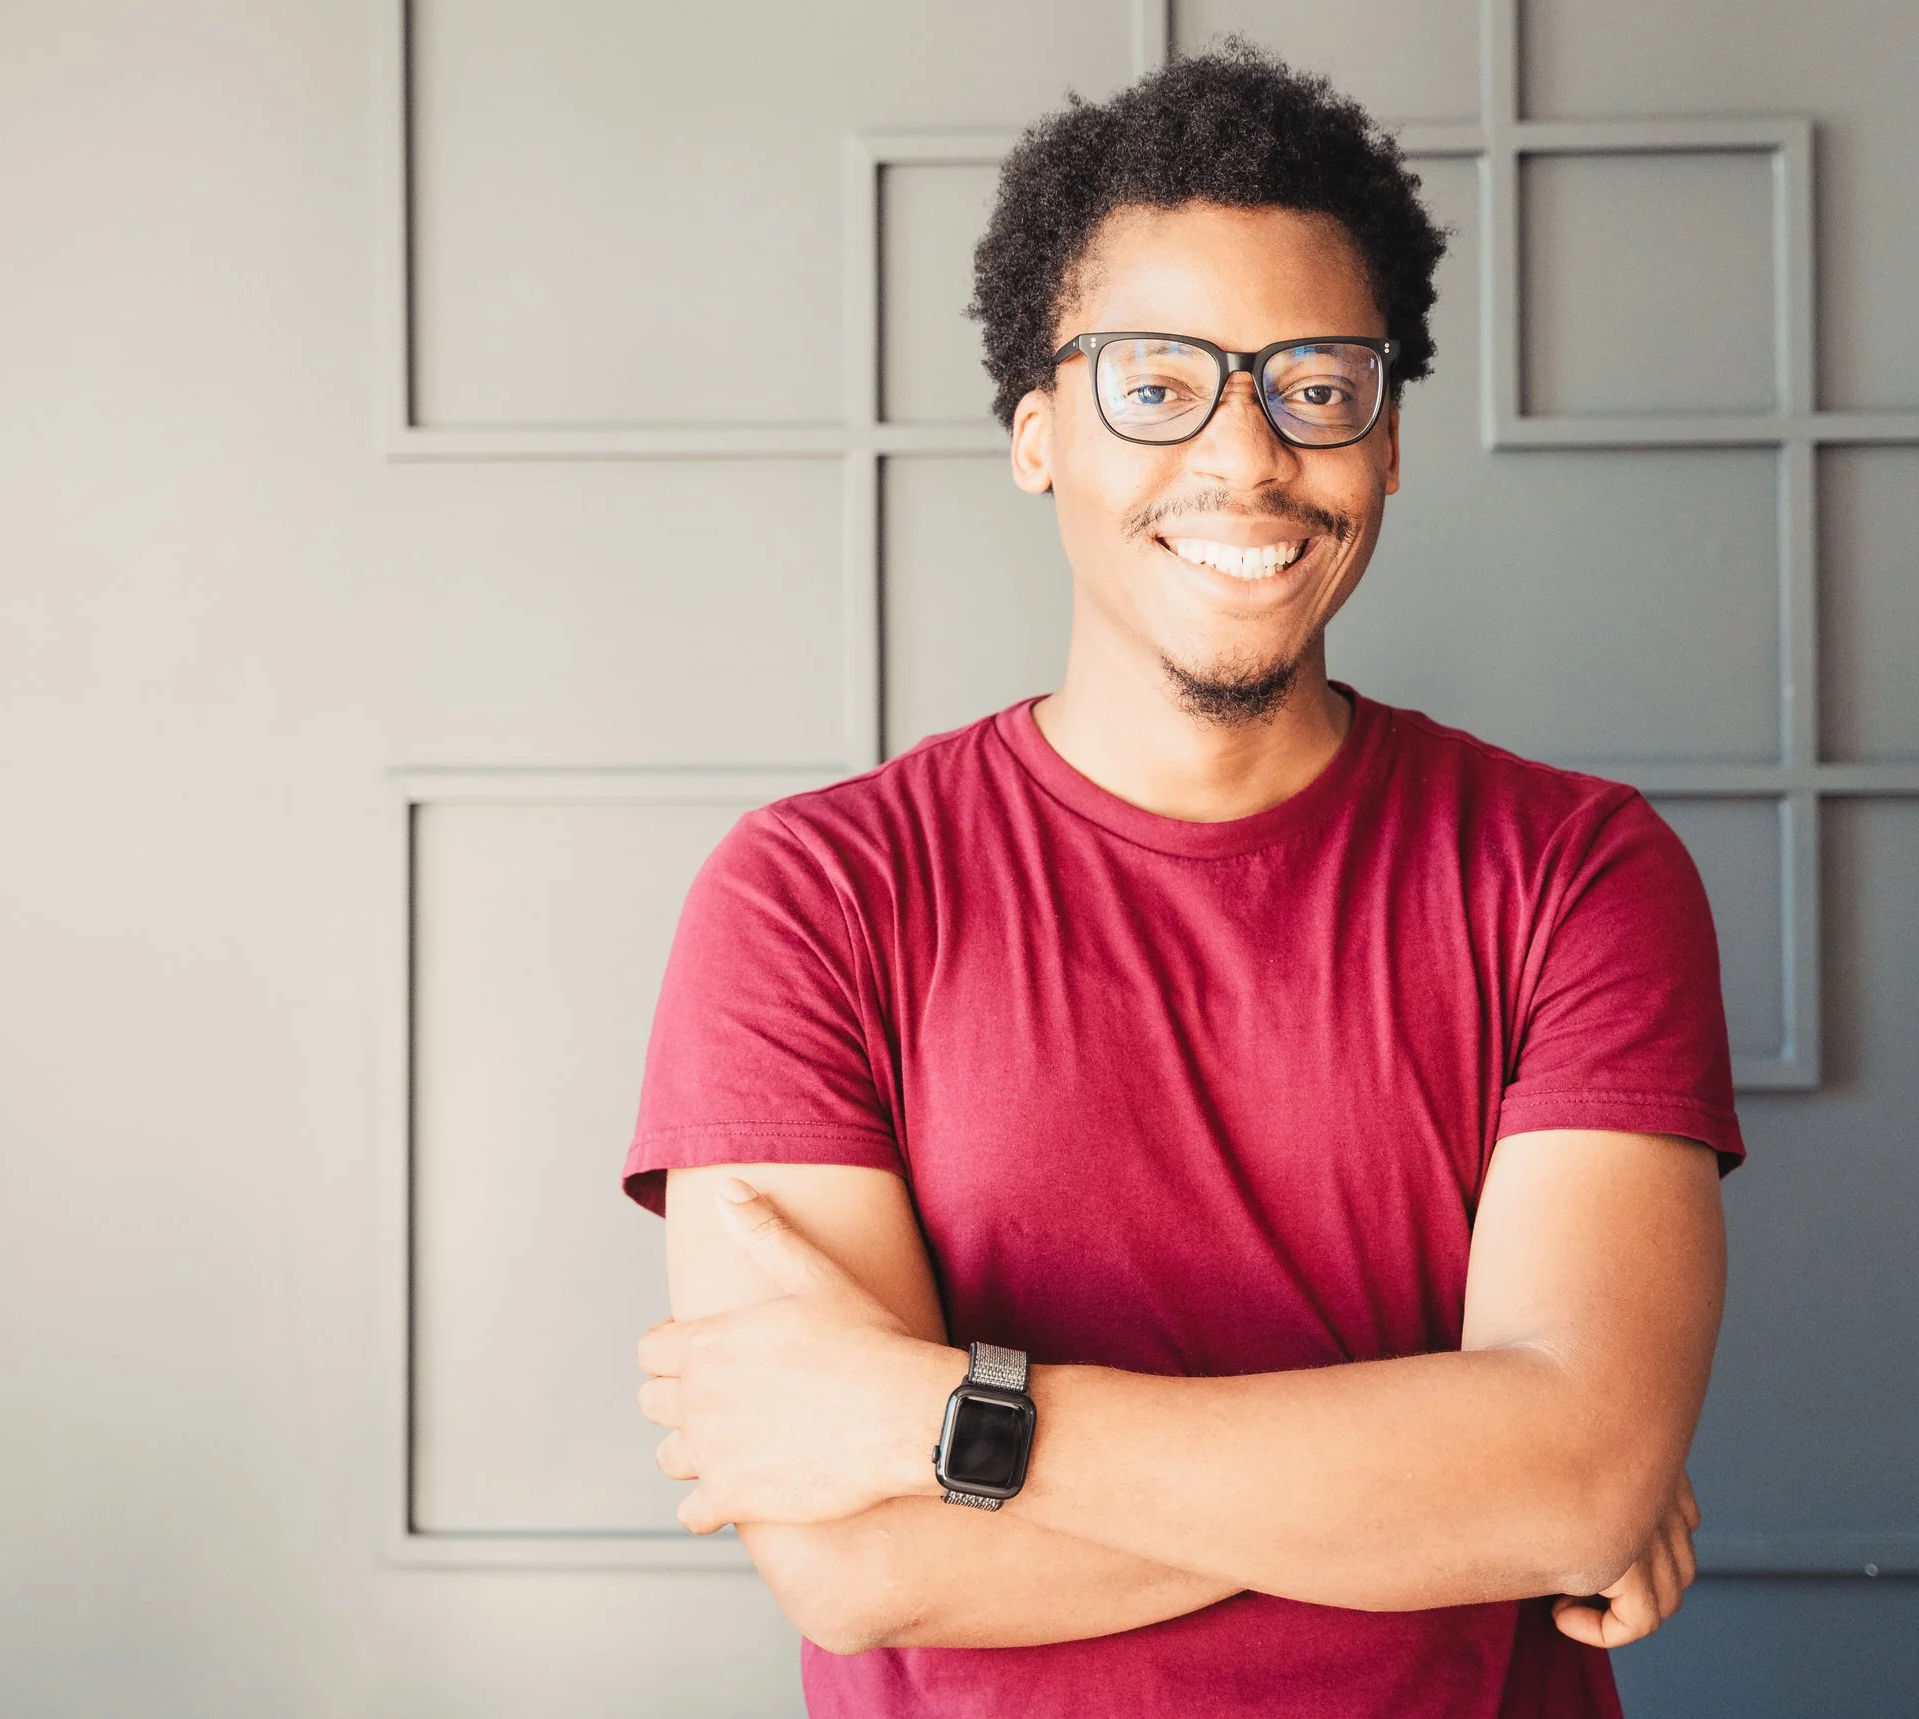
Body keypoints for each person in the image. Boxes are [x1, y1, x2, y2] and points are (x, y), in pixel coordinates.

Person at [625, 44, 1739, 1719]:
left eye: (1316, 383)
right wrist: (1462, 1487)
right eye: (1156, 383)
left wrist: (941, 1422)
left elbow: (1572, 1476)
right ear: (1036, 435)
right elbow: (858, 1564)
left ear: (1386, 440)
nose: (1249, 454)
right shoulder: (811, 897)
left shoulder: (1576, 870)